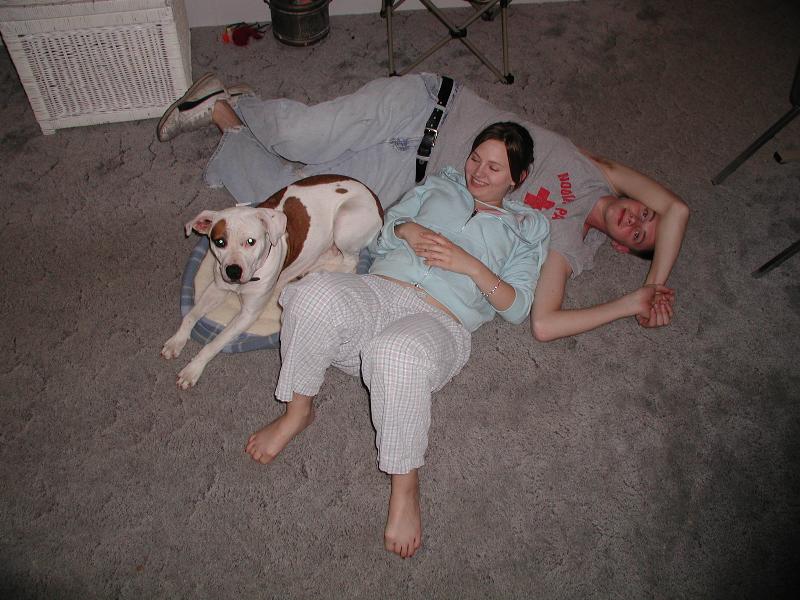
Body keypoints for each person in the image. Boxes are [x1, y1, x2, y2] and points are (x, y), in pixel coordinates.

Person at [156, 72, 688, 338]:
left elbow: (543, 324)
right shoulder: (600, 172)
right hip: (429, 107)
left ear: (622, 248)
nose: (636, 218)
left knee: (294, 192)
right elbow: (679, 210)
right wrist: (658, 281)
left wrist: (635, 301)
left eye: (639, 234)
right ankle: (246, 105)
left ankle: (222, 111)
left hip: (408, 180)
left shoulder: (566, 243)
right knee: (299, 136)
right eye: (646, 211)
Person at [241, 122, 549, 558]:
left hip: (440, 321)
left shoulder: (526, 228)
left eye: (494, 168)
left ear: (519, 177)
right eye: (475, 158)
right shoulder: (440, 185)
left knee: (396, 354)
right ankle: (298, 411)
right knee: (311, 295)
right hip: (379, 293)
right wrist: (406, 231)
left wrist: (470, 265)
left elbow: (516, 308)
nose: (478, 172)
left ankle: (405, 485)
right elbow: (384, 232)